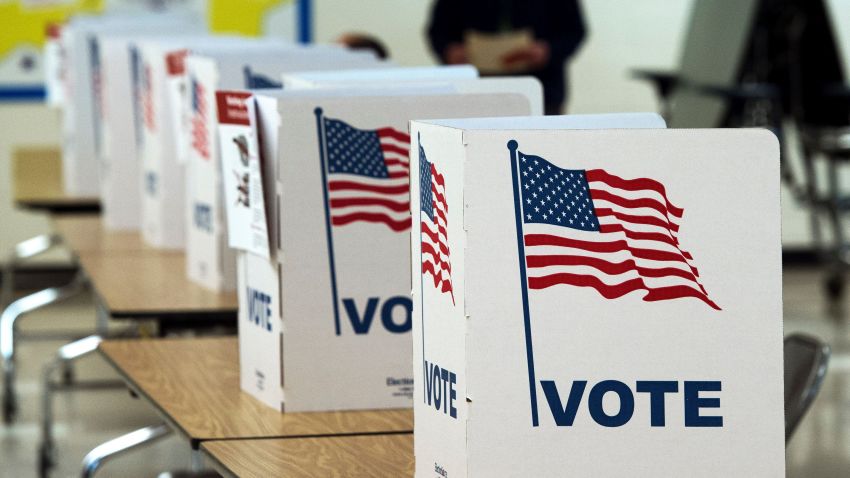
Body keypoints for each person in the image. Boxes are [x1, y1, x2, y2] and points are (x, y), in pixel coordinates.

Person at [427, 0, 586, 115]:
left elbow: (575, 30)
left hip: (542, 91)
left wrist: (548, 51)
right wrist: (449, 51)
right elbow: (437, 31)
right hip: (474, 92)